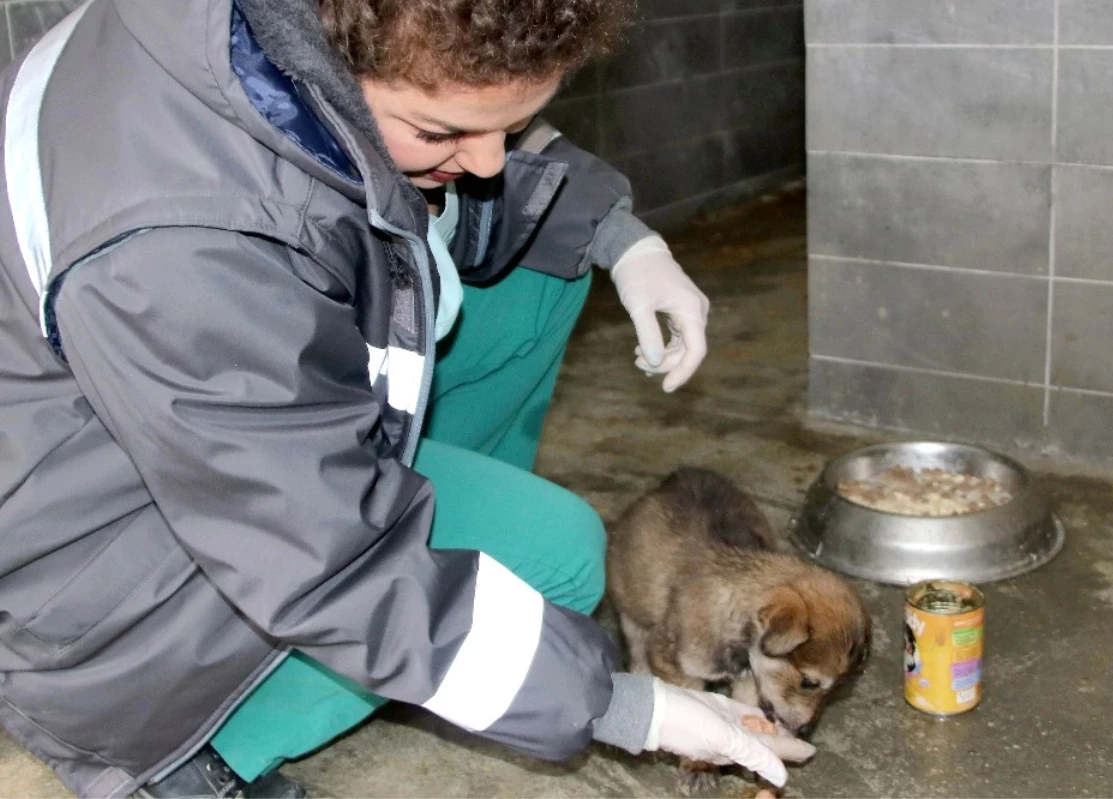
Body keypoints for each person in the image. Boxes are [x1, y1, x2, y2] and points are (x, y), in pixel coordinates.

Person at [0, 0, 816, 797]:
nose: (491, 162)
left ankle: (441, 557)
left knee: (543, 268)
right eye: (442, 133)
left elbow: (466, 122)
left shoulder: (292, 48)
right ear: (334, 57)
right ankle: (195, 756)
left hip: (218, 421)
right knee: (557, 558)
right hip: (102, 569)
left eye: (509, 124)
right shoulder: (180, 246)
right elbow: (323, 562)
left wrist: (623, 238)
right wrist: (618, 703)